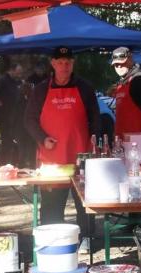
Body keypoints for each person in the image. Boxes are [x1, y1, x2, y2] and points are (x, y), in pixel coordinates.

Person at [25, 46, 100, 253]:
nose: (64, 66)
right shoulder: (40, 89)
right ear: (53, 64)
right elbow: (29, 120)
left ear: (73, 64)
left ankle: (86, 239)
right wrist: (42, 138)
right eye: (60, 62)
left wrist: (96, 140)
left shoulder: (85, 87)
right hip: (52, 160)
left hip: (80, 157)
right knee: (51, 205)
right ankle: (52, 241)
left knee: (85, 203)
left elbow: (95, 117)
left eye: (68, 62)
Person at [110, 47, 141, 136]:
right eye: (116, 65)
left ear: (130, 60)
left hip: (139, 140)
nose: (119, 67)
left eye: (122, 63)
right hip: (122, 140)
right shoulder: (122, 83)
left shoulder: (140, 80)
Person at [0, 63, 23, 166]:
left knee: (14, 141)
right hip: (5, 116)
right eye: (18, 72)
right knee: (6, 141)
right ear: (12, 70)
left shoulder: (15, 81)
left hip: (14, 116)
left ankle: (14, 163)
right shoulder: (2, 81)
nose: (19, 75)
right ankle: (4, 163)